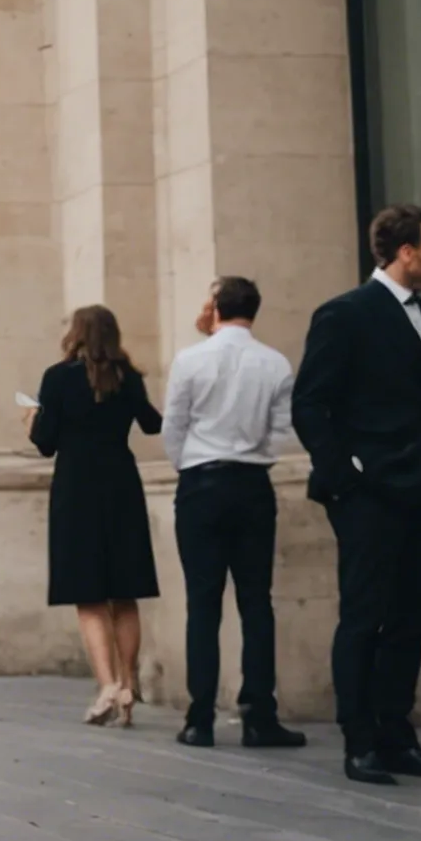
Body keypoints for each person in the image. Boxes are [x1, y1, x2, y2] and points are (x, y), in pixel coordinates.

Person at [294, 205, 421, 784]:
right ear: (405, 252)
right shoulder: (344, 314)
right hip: (369, 495)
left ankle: (396, 736)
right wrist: (346, 479)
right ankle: (359, 742)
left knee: (412, 618)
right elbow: (309, 404)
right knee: (364, 617)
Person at [162, 276, 305, 750]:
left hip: (201, 483)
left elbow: (174, 428)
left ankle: (199, 717)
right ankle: (259, 714)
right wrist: (252, 455)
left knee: (202, 604)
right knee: (255, 601)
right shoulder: (276, 363)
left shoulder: (189, 359)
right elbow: (281, 432)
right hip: (251, 485)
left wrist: (192, 464)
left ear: (216, 307)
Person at [28, 305, 162, 727]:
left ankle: (106, 684)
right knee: (125, 592)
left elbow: (46, 443)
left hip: (76, 486)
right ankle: (127, 683)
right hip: (122, 484)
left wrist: (33, 419)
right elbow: (153, 424)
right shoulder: (129, 376)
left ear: (77, 333)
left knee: (88, 593)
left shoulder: (57, 378)